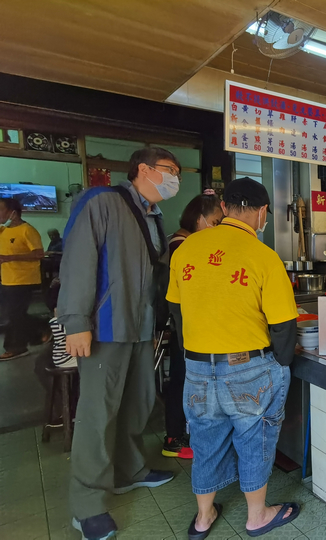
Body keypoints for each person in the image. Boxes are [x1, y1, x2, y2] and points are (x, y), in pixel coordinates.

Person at [167, 177, 300, 538]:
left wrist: (195, 355)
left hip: (197, 366)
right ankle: (257, 515)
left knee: (205, 440)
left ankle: (203, 517)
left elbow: (176, 312)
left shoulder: (185, 251)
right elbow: (284, 327)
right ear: (262, 213)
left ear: (224, 208)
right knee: (254, 437)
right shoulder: (263, 256)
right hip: (248, 367)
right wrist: (282, 366)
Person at [59, 147, 181, 540]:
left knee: (137, 403)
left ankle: (130, 471)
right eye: (169, 171)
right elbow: (77, 260)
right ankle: (87, 504)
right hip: (105, 327)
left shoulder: (154, 217)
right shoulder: (101, 201)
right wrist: (75, 321)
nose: (174, 179)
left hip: (142, 327)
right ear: (143, 170)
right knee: (98, 415)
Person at [162, 192, 223, 460]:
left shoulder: (185, 241)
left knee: (182, 379)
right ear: (199, 220)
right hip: (185, 328)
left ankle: (180, 434)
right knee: (181, 380)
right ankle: (174, 438)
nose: (218, 227)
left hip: (187, 326)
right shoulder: (182, 245)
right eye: (215, 221)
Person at [0, 197, 45, 359]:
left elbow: (39, 254)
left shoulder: (27, 230)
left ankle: (16, 347)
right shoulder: (3, 231)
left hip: (23, 279)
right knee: (13, 314)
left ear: (13, 212)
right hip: (7, 279)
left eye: (1, 210)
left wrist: (10, 258)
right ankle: (38, 335)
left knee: (14, 314)